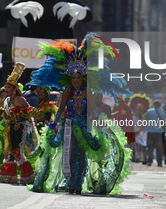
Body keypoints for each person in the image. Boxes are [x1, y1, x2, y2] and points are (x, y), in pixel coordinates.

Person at [27, 34, 132, 195]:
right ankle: (70, 182)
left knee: (81, 155)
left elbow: (93, 111)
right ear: (71, 78)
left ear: (82, 77)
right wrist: (56, 123)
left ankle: (78, 182)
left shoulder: (86, 91)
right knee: (68, 154)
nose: (76, 80)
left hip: (83, 126)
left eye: (78, 77)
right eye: (74, 77)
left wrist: (98, 122)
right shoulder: (67, 91)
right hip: (68, 125)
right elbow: (62, 110)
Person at [144, 100, 165, 167]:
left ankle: (150, 160)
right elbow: (164, 121)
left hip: (150, 130)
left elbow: (145, 119)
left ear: (154, 104)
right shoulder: (163, 112)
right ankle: (159, 162)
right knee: (159, 147)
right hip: (159, 131)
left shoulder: (149, 111)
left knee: (150, 147)